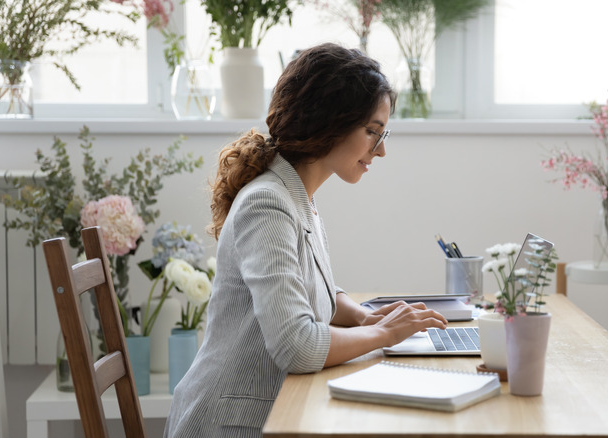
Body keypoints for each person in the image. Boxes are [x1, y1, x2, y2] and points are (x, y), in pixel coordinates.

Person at [164, 43, 448, 438]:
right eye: (372, 132)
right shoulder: (268, 203)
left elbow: (312, 291)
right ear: (329, 122)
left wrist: (364, 317)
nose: (381, 150)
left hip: (265, 415)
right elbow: (297, 345)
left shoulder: (297, 196)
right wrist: (384, 335)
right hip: (226, 425)